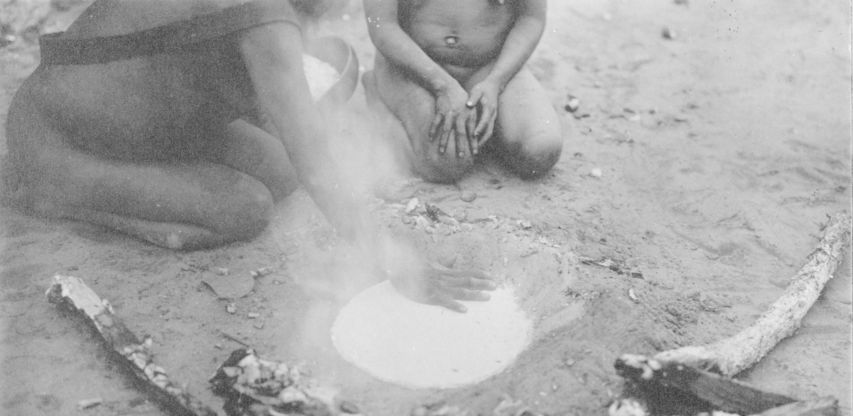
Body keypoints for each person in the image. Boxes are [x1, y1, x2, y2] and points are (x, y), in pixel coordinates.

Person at [3, 0, 493, 311]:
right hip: (57, 136)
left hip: (145, 120)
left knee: (278, 171)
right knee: (244, 209)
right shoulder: (267, 19)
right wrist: (393, 258)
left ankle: (149, 175)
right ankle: (54, 193)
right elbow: (316, 161)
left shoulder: (277, 18)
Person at [362, 0, 562, 183]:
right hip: (414, 68)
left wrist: (496, 81)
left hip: (490, 65)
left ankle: (483, 129)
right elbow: (383, 26)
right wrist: (442, 85)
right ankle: (380, 94)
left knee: (540, 150)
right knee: (447, 161)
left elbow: (531, 18)